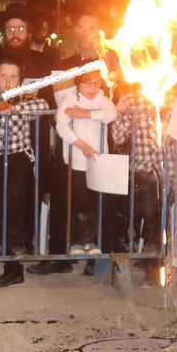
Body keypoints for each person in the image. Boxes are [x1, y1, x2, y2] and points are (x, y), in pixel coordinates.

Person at [110, 83, 177, 286]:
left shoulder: (175, 99)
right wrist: (119, 113)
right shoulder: (131, 100)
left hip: (173, 172)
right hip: (143, 169)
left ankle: (157, 259)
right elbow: (118, 136)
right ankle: (150, 262)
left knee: (168, 205)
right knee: (150, 203)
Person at [0, 55, 48, 286]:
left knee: (14, 207)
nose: (7, 81)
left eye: (13, 76)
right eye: (3, 76)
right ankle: (10, 253)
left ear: (20, 80)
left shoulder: (26, 98)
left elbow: (43, 106)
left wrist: (13, 108)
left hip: (17, 160)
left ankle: (14, 264)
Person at [52, 69, 118, 255]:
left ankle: (93, 242)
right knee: (78, 202)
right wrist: (82, 145)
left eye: (97, 83)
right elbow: (62, 126)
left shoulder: (102, 99)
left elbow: (111, 113)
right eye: (88, 83)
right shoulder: (70, 99)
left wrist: (86, 114)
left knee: (95, 202)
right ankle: (78, 241)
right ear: (79, 83)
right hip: (78, 159)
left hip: (98, 160)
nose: (93, 88)